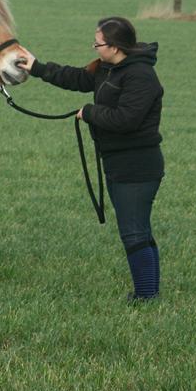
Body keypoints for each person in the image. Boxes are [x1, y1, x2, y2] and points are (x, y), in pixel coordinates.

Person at [20, 17, 164, 301]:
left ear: (115, 46)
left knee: (134, 232)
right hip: (118, 163)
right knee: (139, 230)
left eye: (97, 43)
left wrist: (90, 112)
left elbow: (127, 119)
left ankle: (146, 297)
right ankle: (149, 292)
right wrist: (36, 67)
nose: (94, 47)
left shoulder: (140, 76)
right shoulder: (108, 68)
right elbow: (75, 78)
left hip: (137, 166)